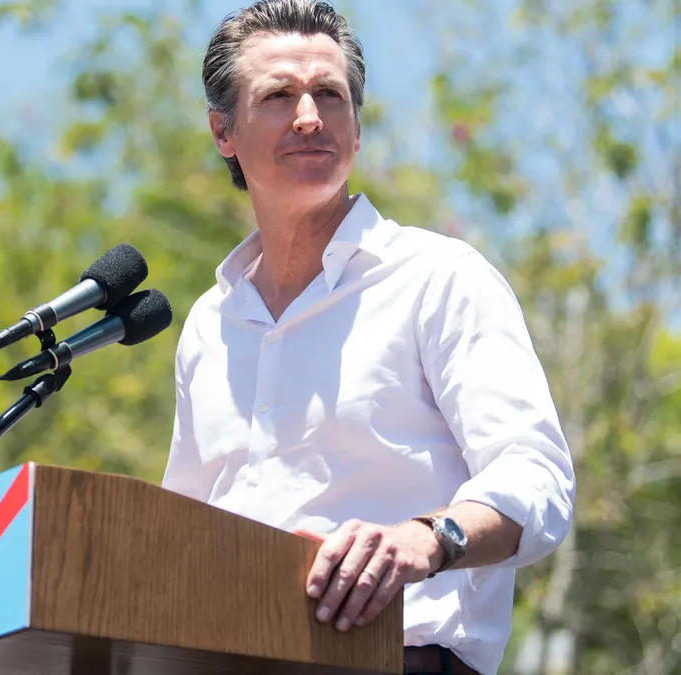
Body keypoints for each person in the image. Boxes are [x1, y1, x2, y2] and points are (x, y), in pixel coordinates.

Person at [159, 2, 576, 674]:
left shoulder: (438, 277)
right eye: (277, 96)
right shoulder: (210, 324)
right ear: (222, 131)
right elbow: (178, 535)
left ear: (356, 127)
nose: (309, 117)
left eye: (330, 94)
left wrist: (429, 538)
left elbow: (540, 477)